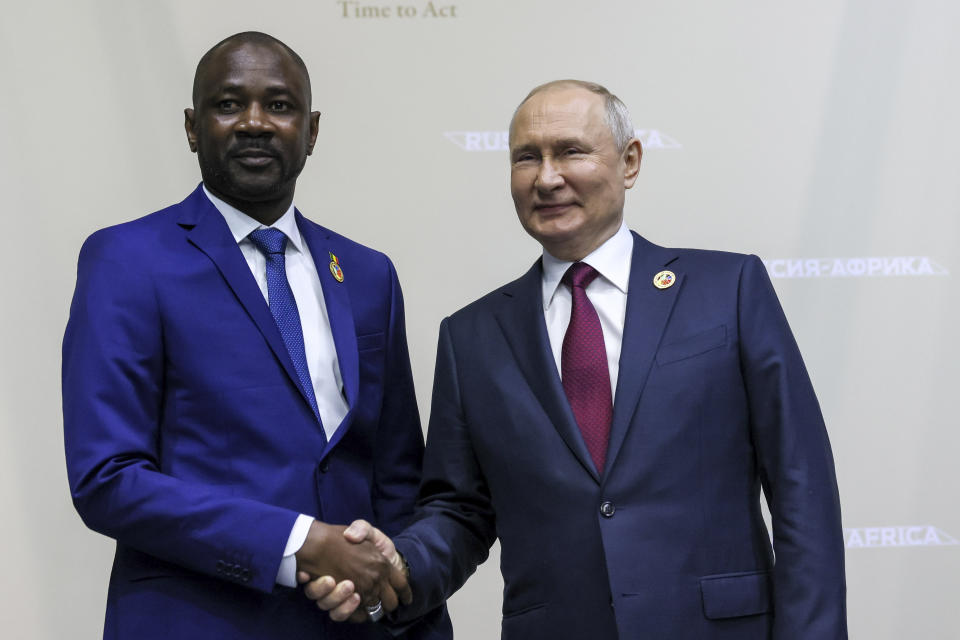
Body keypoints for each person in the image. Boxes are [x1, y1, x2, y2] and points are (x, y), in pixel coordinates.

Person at [307, 80, 847, 638]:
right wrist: (399, 565)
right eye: (526, 158)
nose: (547, 177)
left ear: (630, 161)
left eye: (571, 151)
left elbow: (800, 480)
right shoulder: (471, 337)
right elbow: (458, 511)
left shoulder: (728, 290)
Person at [62, 31, 450, 639]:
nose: (253, 123)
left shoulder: (369, 274)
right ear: (192, 127)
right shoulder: (127, 259)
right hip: (201, 621)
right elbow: (108, 478)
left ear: (312, 130)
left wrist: (395, 601)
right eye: (227, 104)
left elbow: (396, 475)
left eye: (279, 105)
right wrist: (299, 544)